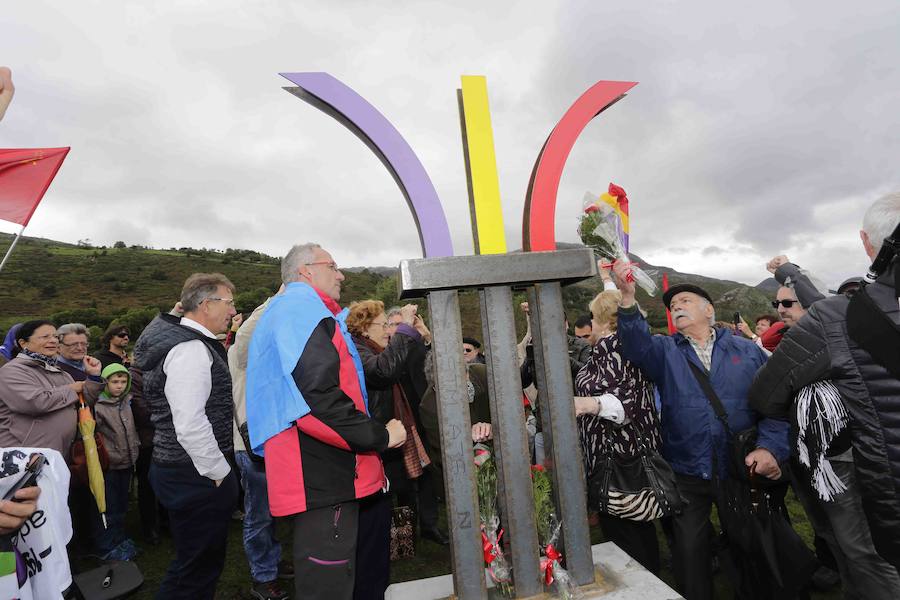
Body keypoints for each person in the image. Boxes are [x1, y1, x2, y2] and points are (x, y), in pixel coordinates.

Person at [612, 260, 789, 600]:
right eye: (673, 306)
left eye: (685, 302)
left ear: (709, 310)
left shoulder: (747, 351)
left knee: (748, 545)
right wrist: (627, 296)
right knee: (689, 552)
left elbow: (776, 407)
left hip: (739, 468)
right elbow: (634, 347)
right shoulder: (664, 350)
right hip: (686, 470)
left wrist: (770, 448)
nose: (677, 307)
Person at [749, 192, 900, 584]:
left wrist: (816, 395)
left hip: (878, 484)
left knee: (871, 560)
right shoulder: (842, 314)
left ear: (867, 243)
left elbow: (766, 394)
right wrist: (789, 272)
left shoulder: (836, 319)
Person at [246, 243, 406, 600]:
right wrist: (380, 436)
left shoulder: (300, 312)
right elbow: (316, 399)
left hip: (317, 467)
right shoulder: (300, 311)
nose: (341, 274)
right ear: (306, 271)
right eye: (332, 266)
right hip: (321, 472)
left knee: (336, 575)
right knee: (328, 584)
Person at [133, 273, 239, 600]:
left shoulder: (183, 339)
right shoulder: (191, 348)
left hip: (180, 467)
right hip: (195, 472)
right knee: (195, 568)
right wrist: (218, 471)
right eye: (229, 302)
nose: (233, 311)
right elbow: (190, 422)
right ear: (206, 305)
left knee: (194, 561)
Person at [347, 300, 435, 598]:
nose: (388, 330)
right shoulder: (360, 351)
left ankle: (399, 546)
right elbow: (384, 373)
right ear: (364, 327)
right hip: (374, 442)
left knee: (396, 496)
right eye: (384, 324)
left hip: (388, 439)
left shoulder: (374, 349)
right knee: (373, 517)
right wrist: (406, 328)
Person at [573, 288, 662, 574]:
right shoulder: (614, 348)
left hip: (621, 455)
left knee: (627, 531)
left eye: (593, 316)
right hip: (612, 453)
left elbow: (627, 404)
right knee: (632, 528)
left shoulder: (616, 349)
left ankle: (643, 585)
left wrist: (589, 404)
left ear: (604, 320)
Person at [228, 291, 291, 600]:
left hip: (273, 446)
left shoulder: (267, 357)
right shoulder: (242, 355)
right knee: (259, 515)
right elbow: (248, 331)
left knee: (273, 511)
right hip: (251, 447)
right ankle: (263, 577)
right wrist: (273, 300)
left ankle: (273, 561)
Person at [0, 320, 103, 455]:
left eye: (55, 337)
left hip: (56, 453)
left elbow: (84, 402)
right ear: (23, 343)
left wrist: (94, 376)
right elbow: (34, 403)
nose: (53, 341)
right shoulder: (13, 371)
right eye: (45, 337)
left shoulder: (59, 372)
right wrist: (71, 389)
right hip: (26, 456)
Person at [84, 363, 140, 561]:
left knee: (122, 505)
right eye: (115, 381)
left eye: (123, 381)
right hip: (108, 465)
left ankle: (119, 539)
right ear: (106, 382)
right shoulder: (99, 406)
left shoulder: (127, 402)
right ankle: (105, 546)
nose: (119, 386)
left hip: (127, 461)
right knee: (107, 506)